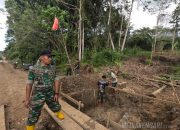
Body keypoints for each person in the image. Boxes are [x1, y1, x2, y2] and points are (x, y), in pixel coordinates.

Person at [25, 49, 64, 130]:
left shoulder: (53, 68)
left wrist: (56, 93)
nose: (50, 58)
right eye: (48, 57)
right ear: (42, 57)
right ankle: (30, 127)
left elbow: (57, 79)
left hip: (50, 92)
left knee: (55, 104)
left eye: (51, 57)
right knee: (34, 112)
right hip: (38, 94)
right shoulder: (33, 69)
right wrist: (27, 98)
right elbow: (29, 84)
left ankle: (58, 112)